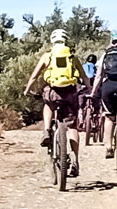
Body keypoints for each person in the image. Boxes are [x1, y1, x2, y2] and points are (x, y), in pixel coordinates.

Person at [23, 29, 86, 157]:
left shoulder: (47, 56)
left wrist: (27, 90)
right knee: (72, 126)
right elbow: (84, 76)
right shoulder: (72, 57)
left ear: (52, 40)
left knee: (48, 104)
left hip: (53, 90)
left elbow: (34, 76)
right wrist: (88, 88)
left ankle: (46, 130)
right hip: (70, 91)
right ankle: (75, 159)